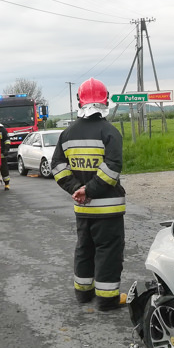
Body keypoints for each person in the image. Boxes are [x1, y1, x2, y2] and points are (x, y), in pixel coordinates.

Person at [51, 78, 126, 311]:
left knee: (84, 248)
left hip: (82, 207)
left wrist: (77, 189)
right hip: (108, 208)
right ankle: (107, 299)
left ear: (79, 101)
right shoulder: (110, 132)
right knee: (108, 252)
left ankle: (83, 294)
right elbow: (112, 167)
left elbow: (58, 167)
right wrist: (89, 190)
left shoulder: (67, 134)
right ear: (106, 100)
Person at [0, 123, 11, 190]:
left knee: (4, 169)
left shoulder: (2, 130)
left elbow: (7, 140)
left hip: (2, 154)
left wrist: (6, 149)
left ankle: (7, 184)